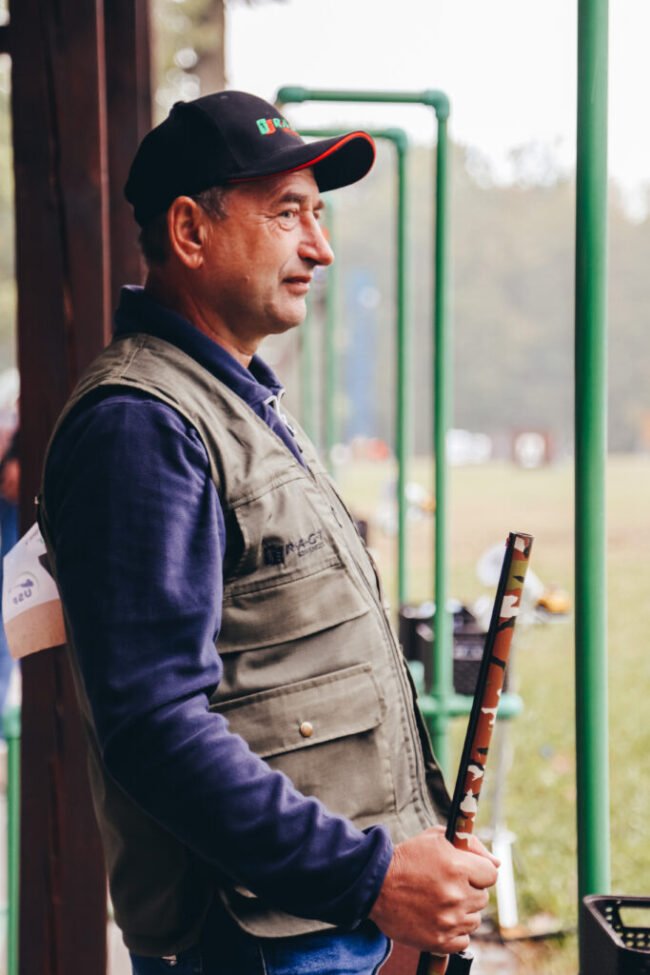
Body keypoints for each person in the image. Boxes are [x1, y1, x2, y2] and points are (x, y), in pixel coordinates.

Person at [40, 91, 498, 975]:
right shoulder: (142, 424)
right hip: (260, 941)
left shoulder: (235, 397)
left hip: (325, 926)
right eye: (288, 213)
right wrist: (371, 877)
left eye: (318, 215)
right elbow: (155, 726)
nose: (320, 247)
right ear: (190, 231)